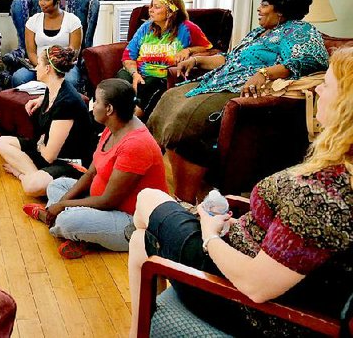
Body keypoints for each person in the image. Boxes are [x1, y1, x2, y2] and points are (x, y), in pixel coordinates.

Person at [128, 46, 353, 337]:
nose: (318, 89)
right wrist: (249, 224)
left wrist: (209, 236)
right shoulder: (336, 178)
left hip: (243, 301)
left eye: (327, 84)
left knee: (148, 199)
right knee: (140, 239)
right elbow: (301, 240)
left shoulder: (323, 196)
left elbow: (256, 286)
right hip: (246, 252)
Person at [148, 0, 329, 203]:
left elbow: (310, 60)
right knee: (169, 99)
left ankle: (183, 201)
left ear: (281, 10)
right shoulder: (258, 33)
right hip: (219, 80)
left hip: (244, 90)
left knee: (188, 117)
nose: (259, 8)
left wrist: (265, 73)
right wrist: (196, 60)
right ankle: (175, 187)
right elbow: (228, 59)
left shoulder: (299, 30)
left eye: (264, 4)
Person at [20, 78, 167, 258]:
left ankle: (65, 225)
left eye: (96, 101)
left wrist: (63, 205)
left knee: (68, 220)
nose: (92, 104)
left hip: (131, 220)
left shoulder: (135, 145)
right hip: (100, 202)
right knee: (57, 186)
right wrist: (62, 202)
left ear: (109, 109)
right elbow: (91, 173)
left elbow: (108, 201)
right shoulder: (113, 125)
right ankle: (80, 234)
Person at [0, 46, 95, 195]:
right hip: (44, 148)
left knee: (31, 187)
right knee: (2, 142)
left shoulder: (67, 103)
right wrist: (39, 99)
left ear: (48, 68)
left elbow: (49, 156)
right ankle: (35, 175)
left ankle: (24, 175)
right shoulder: (53, 88)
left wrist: (40, 144)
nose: (36, 68)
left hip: (68, 161)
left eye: (39, 65)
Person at [118, 0, 211, 119]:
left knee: (146, 86)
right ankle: (110, 126)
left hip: (161, 76)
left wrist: (188, 50)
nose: (150, 10)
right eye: (151, 6)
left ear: (171, 11)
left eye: (157, 7)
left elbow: (209, 50)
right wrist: (135, 74)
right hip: (138, 72)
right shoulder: (145, 28)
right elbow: (128, 55)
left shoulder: (187, 29)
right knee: (119, 83)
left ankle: (127, 125)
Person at [11, 0, 83, 88]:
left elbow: (73, 53)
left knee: (70, 80)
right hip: (39, 65)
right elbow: (31, 52)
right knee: (19, 77)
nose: (41, 3)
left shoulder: (73, 21)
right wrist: (43, 67)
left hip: (65, 66)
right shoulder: (32, 21)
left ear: (58, 1)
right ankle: (35, 104)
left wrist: (55, 68)